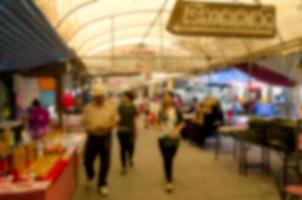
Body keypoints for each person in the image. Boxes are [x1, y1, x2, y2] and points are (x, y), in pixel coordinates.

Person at [82, 84, 119, 196]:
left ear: (104, 95)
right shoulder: (88, 108)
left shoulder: (111, 106)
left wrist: (108, 126)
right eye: (97, 96)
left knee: (105, 163)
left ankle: (102, 184)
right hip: (92, 137)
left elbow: (116, 119)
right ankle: (91, 175)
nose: (100, 98)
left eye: (102, 96)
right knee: (87, 160)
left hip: (105, 136)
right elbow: (84, 122)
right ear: (94, 97)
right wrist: (89, 128)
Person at [157, 91, 185, 193]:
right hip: (162, 137)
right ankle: (169, 181)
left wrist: (176, 130)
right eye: (164, 97)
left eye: (168, 97)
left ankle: (167, 173)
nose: (166, 99)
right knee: (167, 158)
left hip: (174, 137)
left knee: (170, 158)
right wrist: (157, 126)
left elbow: (182, 123)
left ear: (172, 99)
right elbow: (156, 122)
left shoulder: (177, 110)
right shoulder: (160, 110)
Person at [117, 91, 138, 175]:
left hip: (130, 130)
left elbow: (134, 120)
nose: (124, 98)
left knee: (131, 147)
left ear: (129, 98)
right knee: (122, 148)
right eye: (123, 96)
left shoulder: (133, 107)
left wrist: (135, 131)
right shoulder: (120, 107)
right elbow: (116, 116)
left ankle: (130, 158)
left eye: (125, 96)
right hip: (121, 130)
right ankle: (123, 167)